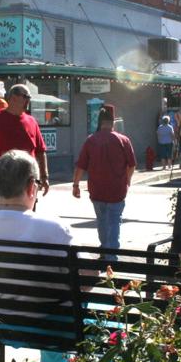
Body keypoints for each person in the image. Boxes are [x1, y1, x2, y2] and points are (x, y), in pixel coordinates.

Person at [0, 84, 49, 208]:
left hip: (26, 185)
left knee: (25, 223)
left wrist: (44, 177)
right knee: (0, 223)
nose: (28, 101)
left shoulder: (31, 121)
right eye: (25, 97)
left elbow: (40, 151)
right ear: (13, 98)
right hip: (0, 185)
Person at [72, 104, 136, 251]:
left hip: (97, 190)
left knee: (101, 221)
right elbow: (132, 165)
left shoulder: (91, 140)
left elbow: (81, 166)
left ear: (99, 121)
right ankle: (111, 256)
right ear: (113, 121)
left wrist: (75, 185)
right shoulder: (123, 140)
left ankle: (104, 248)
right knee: (114, 222)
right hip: (117, 190)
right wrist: (128, 180)